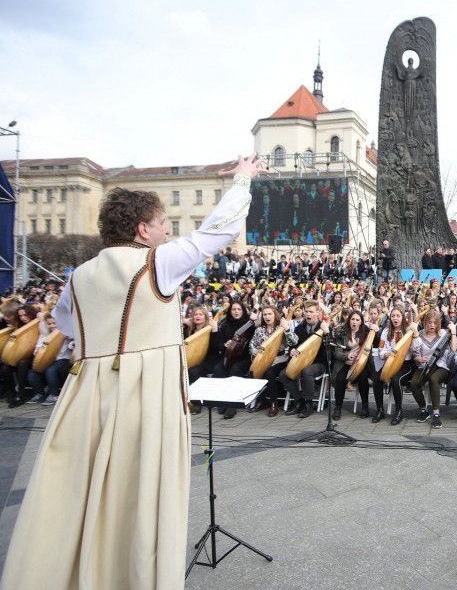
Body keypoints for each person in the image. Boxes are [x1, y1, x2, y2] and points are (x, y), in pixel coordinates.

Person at [0, 153, 263, 590]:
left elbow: (67, 325)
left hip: (85, 396)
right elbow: (217, 231)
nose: (167, 232)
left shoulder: (77, 276)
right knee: (136, 497)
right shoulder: (154, 263)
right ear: (143, 229)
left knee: (81, 497)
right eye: (163, 225)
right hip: (139, 394)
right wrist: (242, 180)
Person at [279, 301, 330, 417]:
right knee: (284, 374)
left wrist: (327, 333)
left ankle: (308, 404)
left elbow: (329, 348)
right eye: (306, 311)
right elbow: (294, 345)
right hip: (301, 361)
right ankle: (299, 401)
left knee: (306, 371)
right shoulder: (299, 327)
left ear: (318, 313)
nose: (308, 314)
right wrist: (292, 350)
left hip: (319, 362)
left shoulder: (323, 327)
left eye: (311, 312)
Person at [410, 309, 455, 428]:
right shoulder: (419, 334)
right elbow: (415, 352)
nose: (432, 325)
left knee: (433, 379)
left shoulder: (444, 334)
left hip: (441, 366)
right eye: (429, 322)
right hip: (424, 366)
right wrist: (418, 359)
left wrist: (454, 332)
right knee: (414, 383)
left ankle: (436, 413)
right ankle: (423, 410)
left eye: (435, 323)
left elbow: (453, 349)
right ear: (425, 323)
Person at [25, 313, 74, 406]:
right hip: (47, 360)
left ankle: (54, 394)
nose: (51, 326)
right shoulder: (45, 334)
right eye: (49, 324)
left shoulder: (67, 333)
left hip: (62, 359)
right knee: (32, 374)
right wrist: (39, 351)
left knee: (50, 370)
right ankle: (39, 393)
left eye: (54, 323)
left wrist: (69, 340)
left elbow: (73, 346)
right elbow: (37, 349)